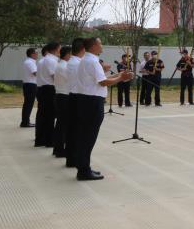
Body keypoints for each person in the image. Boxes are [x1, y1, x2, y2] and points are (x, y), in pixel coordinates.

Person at [73, 37, 133, 181]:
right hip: (92, 101)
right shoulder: (93, 61)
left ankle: (84, 167)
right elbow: (103, 82)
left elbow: (101, 79)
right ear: (94, 46)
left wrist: (120, 75)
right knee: (89, 136)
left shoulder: (86, 60)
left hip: (86, 100)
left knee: (86, 135)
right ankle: (83, 170)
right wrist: (121, 78)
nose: (102, 46)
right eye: (100, 43)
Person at [65, 38, 86, 169]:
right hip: (77, 97)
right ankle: (74, 158)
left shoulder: (72, 61)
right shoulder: (79, 63)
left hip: (73, 95)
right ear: (83, 49)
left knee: (73, 129)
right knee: (77, 130)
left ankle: (71, 158)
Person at [35, 42, 60, 148]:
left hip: (42, 89)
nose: (60, 51)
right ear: (56, 49)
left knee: (42, 115)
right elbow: (55, 76)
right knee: (50, 116)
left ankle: (40, 139)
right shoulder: (51, 60)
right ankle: (49, 140)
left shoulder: (43, 60)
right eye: (59, 48)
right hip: (49, 89)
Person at [52, 46, 72, 158]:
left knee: (60, 124)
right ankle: (60, 150)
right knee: (63, 125)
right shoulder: (65, 66)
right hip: (64, 96)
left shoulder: (60, 65)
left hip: (60, 95)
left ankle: (57, 149)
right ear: (68, 54)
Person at [20, 48, 38, 128]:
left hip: (28, 84)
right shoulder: (30, 62)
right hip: (30, 85)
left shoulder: (28, 61)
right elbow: (35, 73)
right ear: (32, 54)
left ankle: (25, 121)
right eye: (36, 53)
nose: (37, 55)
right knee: (28, 104)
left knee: (27, 104)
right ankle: (25, 122)